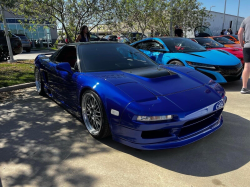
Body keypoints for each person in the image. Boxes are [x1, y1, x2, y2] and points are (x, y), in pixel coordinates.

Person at [238, 16, 250, 94]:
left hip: (247, 46)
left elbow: (239, 33)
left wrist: (241, 44)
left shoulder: (246, 19)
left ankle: (244, 87)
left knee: (247, 66)